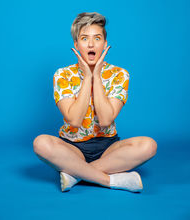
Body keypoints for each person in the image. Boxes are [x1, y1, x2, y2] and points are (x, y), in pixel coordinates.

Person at [33, 12, 157, 192]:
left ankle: (75, 174)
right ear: (76, 44)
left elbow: (106, 120)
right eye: (84, 38)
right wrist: (87, 78)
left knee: (149, 145)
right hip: (71, 147)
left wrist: (96, 76)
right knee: (40, 143)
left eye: (97, 38)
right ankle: (111, 180)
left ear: (104, 44)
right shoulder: (63, 75)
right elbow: (74, 121)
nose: (91, 44)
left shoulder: (119, 74)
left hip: (108, 148)